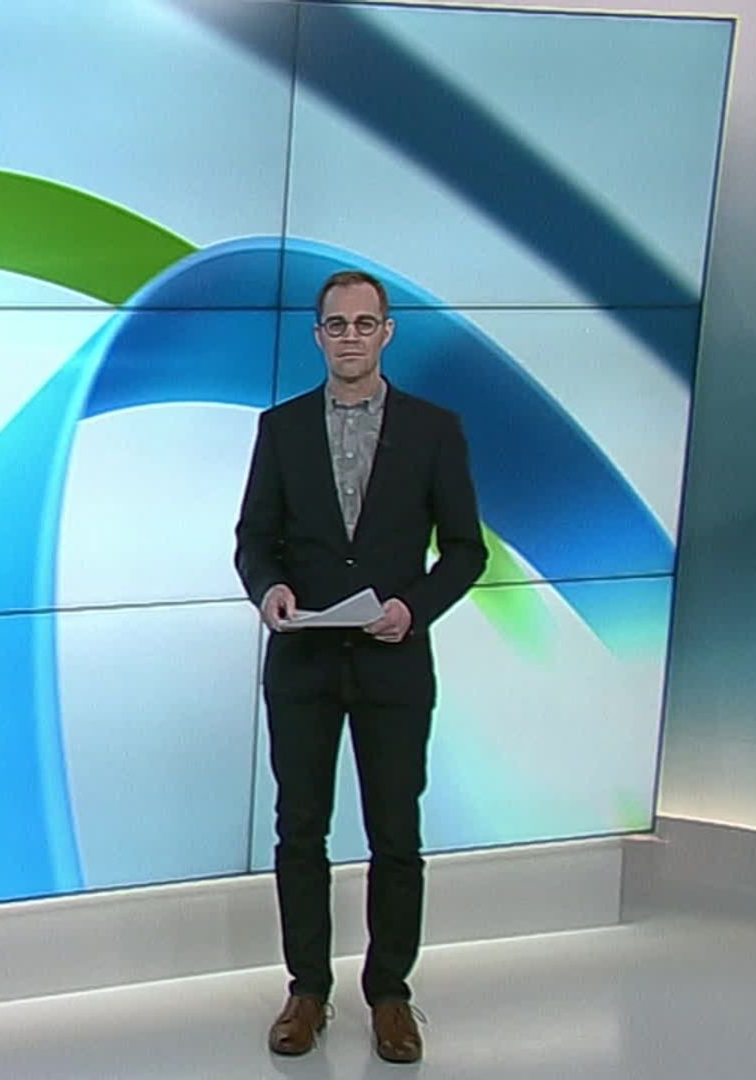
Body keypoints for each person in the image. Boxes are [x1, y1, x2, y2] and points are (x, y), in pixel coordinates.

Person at [233, 269, 487, 1064]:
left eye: (364, 323)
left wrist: (414, 607)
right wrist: (268, 588)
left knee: (396, 835)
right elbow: (253, 538)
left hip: (393, 665)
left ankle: (390, 996)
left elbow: (466, 550)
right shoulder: (281, 429)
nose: (350, 336)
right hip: (303, 662)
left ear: (387, 333)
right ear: (318, 336)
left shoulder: (434, 429)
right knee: (300, 831)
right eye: (336, 325)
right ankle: (307, 990)